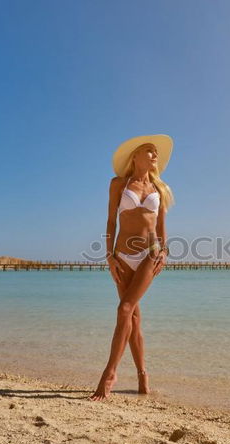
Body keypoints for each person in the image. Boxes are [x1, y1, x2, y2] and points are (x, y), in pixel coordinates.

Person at [90, 134, 174, 401]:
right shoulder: (118, 184)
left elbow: (160, 227)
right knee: (133, 319)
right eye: (148, 151)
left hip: (150, 253)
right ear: (135, 157)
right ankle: (142, 378)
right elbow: (110, 222)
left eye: (155, 153)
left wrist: (165, 251)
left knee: (124, 308)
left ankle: (109, 374)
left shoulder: (159, 190)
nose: (154, 156)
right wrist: (109, 256)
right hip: (122, 255)